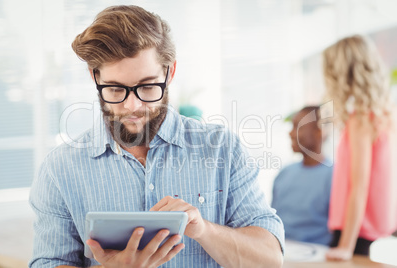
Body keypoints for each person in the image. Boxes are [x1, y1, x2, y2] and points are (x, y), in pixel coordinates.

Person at [28, 5, 284, 268]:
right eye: (115, 89)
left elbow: (270, 259)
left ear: (170, 72)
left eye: (147, 87)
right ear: (95, 77)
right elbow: (49, 262)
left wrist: (204, 230)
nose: (132, 107)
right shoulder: (59, 168)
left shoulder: (222, 149)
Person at [323, 35, 397, 261]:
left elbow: (359, 185)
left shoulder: (360, 121)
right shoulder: (386, 115)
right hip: (378, 228)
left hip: (357, 234)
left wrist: (346, 245)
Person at [271, 106, 333, 245]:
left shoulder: (333, 176)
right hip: (279, 249)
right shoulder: (285, 173)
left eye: (298, 127)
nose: (291, 134)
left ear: (319, 132)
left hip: (316, 255)